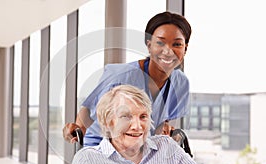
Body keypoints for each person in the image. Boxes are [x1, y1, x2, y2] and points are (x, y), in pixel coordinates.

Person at [59, 85, 261, 164]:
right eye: (126, 117)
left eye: (143, 117)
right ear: (107, 122)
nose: (138, 126)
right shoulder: (88, 161)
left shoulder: (167, 148)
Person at [63, 11, 191, 147]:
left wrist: (166, 129)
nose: (168, 51)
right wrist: (77, 129)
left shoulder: (181, 83)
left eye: (177, 44)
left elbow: (162, 123)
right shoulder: (121, 76)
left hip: (139, 151)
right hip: (102, 147)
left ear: (185, 49)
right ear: (149, 46)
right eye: (160, 43)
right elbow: (89, 110)